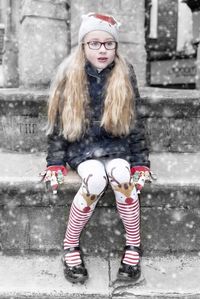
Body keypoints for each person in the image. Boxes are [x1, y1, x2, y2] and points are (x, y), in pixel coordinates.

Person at [44, 12, 150, 284]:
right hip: (83, 146)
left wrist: (140, 162)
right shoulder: (71, 73)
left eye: (108, 44)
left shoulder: (124, 73)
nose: (102, 50)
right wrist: (55, 162)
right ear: (83, 46)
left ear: (115, 47)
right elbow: (57, 123)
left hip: (117, 145)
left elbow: (136, 121)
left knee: (123, 177)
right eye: (95, 43)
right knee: (95, 180)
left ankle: (133, 245)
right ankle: (70, 244)